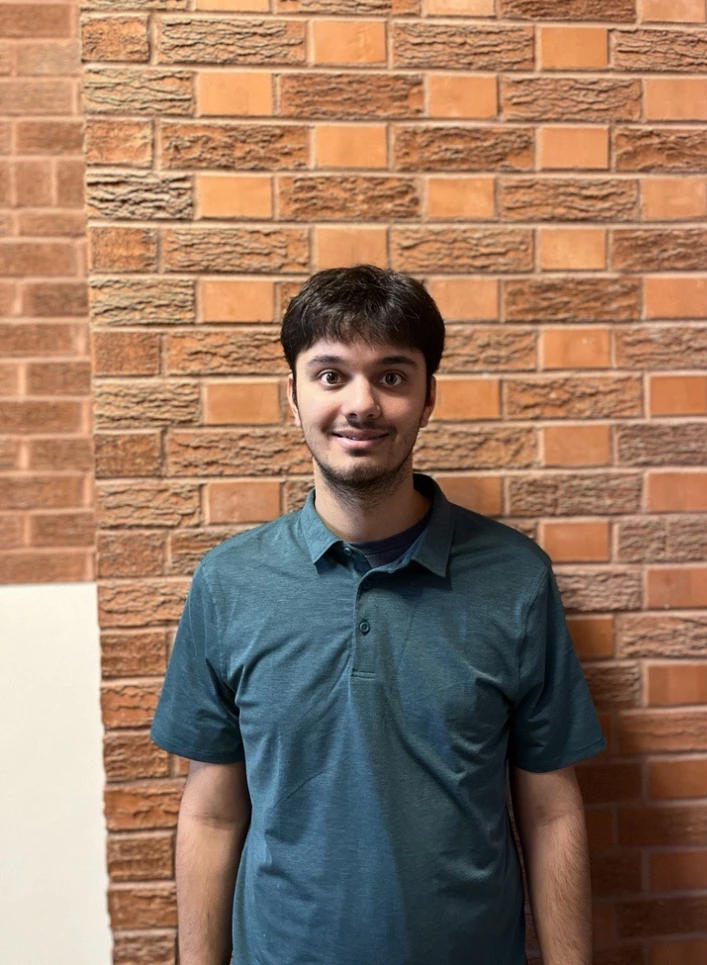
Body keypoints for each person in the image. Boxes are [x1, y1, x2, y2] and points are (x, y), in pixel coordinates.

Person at [150, 264, 605, 965]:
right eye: (331, 375)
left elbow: (550, 810)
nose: (360, 403)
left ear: (428, 398)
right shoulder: (229, 584)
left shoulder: (516, 579)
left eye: (391, 376)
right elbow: (211, 814)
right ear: (293, 397)